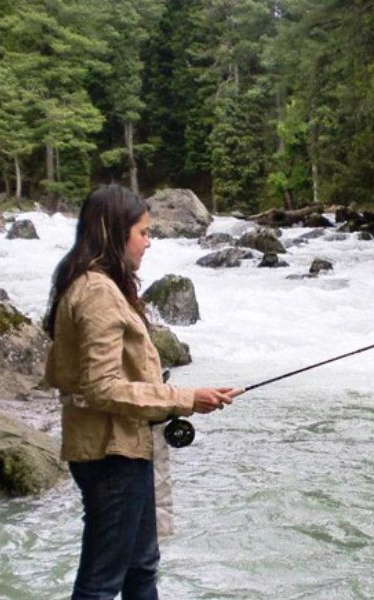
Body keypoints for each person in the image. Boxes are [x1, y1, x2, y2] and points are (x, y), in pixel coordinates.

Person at [43, 184, 237, 600]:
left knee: (141, 568)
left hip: (123, 447)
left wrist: (184, 398)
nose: (149, 242)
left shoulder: (97, 284)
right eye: (143, 233)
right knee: (101, 583)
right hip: (110, 453)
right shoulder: (96, 292)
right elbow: (101, 388)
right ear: (115, 234)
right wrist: (186, 399)